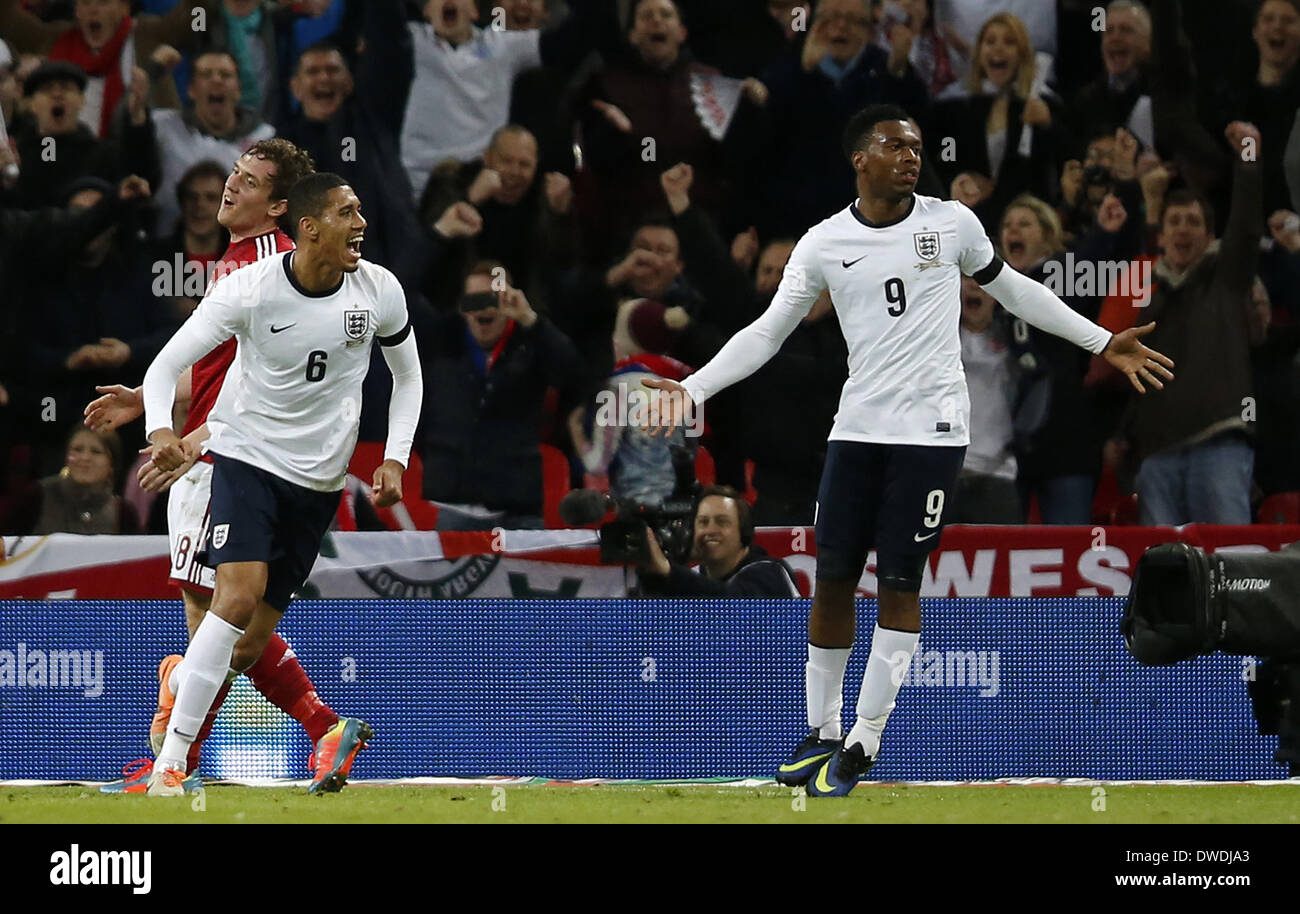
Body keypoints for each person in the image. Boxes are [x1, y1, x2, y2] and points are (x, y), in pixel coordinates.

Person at [645, 103, 1173, 796]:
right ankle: (822, 731)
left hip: (931, 435)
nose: (911, 155)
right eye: (894, 145)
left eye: (917, 146)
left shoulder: (950, 223)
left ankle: (865, 740)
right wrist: (696, 389)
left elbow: (1014, 290)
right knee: (832, 580)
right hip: (856, 431)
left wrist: (1102, 341)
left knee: (899, 582)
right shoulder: (824, 242)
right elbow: (767, 331)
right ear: (859, 158)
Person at [83, 141, 369, 795]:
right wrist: (152, 399)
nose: (231, 186)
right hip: (213, 448)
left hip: (231, 457)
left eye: (250, 181)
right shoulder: (236, 262)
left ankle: (173, 760)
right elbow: (218, 366)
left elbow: (267, 386)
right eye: (232, 175)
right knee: (221, 628)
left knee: (219, 628)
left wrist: (196, 438)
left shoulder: (275, 268)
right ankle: (316, 727)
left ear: (279, 206)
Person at [139, 171, 422, 797]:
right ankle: (172, 764)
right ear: (311, 228)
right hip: (245, 461)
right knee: (234, 598)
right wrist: (163, 429)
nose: (362, 224)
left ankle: (186, 683)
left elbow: (409, 377)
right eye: (349, 213)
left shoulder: (380, 291)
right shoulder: (250, 288)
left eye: (361, 211)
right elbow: (166, 366)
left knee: (247, 648)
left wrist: (395, 459)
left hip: (318, 482)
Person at [419, 259, 586, 530]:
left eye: (493, 299)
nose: (483, 309)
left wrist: (531, 320)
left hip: (517, 505)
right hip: (452, 505)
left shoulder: (532, 344)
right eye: (474, 300)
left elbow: (574, 376)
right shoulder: (443, 342)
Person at [636, 485, 799, 597]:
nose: (710, 531)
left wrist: (669, 571)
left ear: (743, 531)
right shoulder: (693, 576)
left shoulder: (770, 572)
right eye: (703, 522)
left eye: (722, 522)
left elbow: (735, 609)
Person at [0, 425, 140, 534]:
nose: (84, 458)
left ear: (112, 465)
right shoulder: (35, 497)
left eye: (96, 451)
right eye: (77, 450)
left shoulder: (124, 513)